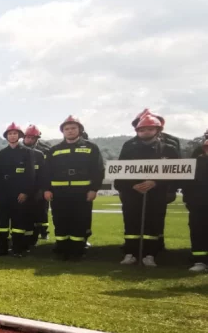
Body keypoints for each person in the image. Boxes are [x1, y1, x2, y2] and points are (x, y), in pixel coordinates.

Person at [113, 109, 180, 267]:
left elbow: (177, 172)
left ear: (158, 130)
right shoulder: (129, 147)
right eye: (142, 129)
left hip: (157, 192)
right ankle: (130, 253)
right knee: (131, 222)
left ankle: (150, 254)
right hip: (133, 192)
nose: (146, 132)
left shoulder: (169, 149)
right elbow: (121, 171)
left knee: (154, 222)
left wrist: (155, 182)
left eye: (150, 129)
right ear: (137, 131)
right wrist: (132, 185)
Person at [43, 116, 105, 261]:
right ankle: (61, 248)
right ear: (63, 132)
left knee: (80, 221)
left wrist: (94, 189)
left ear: (79, 130)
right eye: (67, 129)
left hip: (81, 193)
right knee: (60, 220)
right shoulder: (55, 150)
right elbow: (46, 172)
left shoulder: (91, 148)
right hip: (59, 193)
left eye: (73, 128)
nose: (70, 131)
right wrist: (47, 189)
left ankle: (77, 249)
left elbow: (98, 170)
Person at [0, 123, 36, 257]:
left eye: (15, 133)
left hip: (19, 193)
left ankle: (17, 249)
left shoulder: (27, 153)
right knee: (3, 223)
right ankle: (2, 248)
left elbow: (30, 175)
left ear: (19, 136)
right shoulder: (1, 154)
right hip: (4, 193)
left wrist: (25, 192)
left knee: (18, 222)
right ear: (6, 136)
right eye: (10, 134)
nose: (12, 136)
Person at [184, 132, 208, 273]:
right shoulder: (195, 164)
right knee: (198, 232)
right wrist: (189, 201)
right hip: (198, 205)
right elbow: (187, 185)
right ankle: (199, 261)